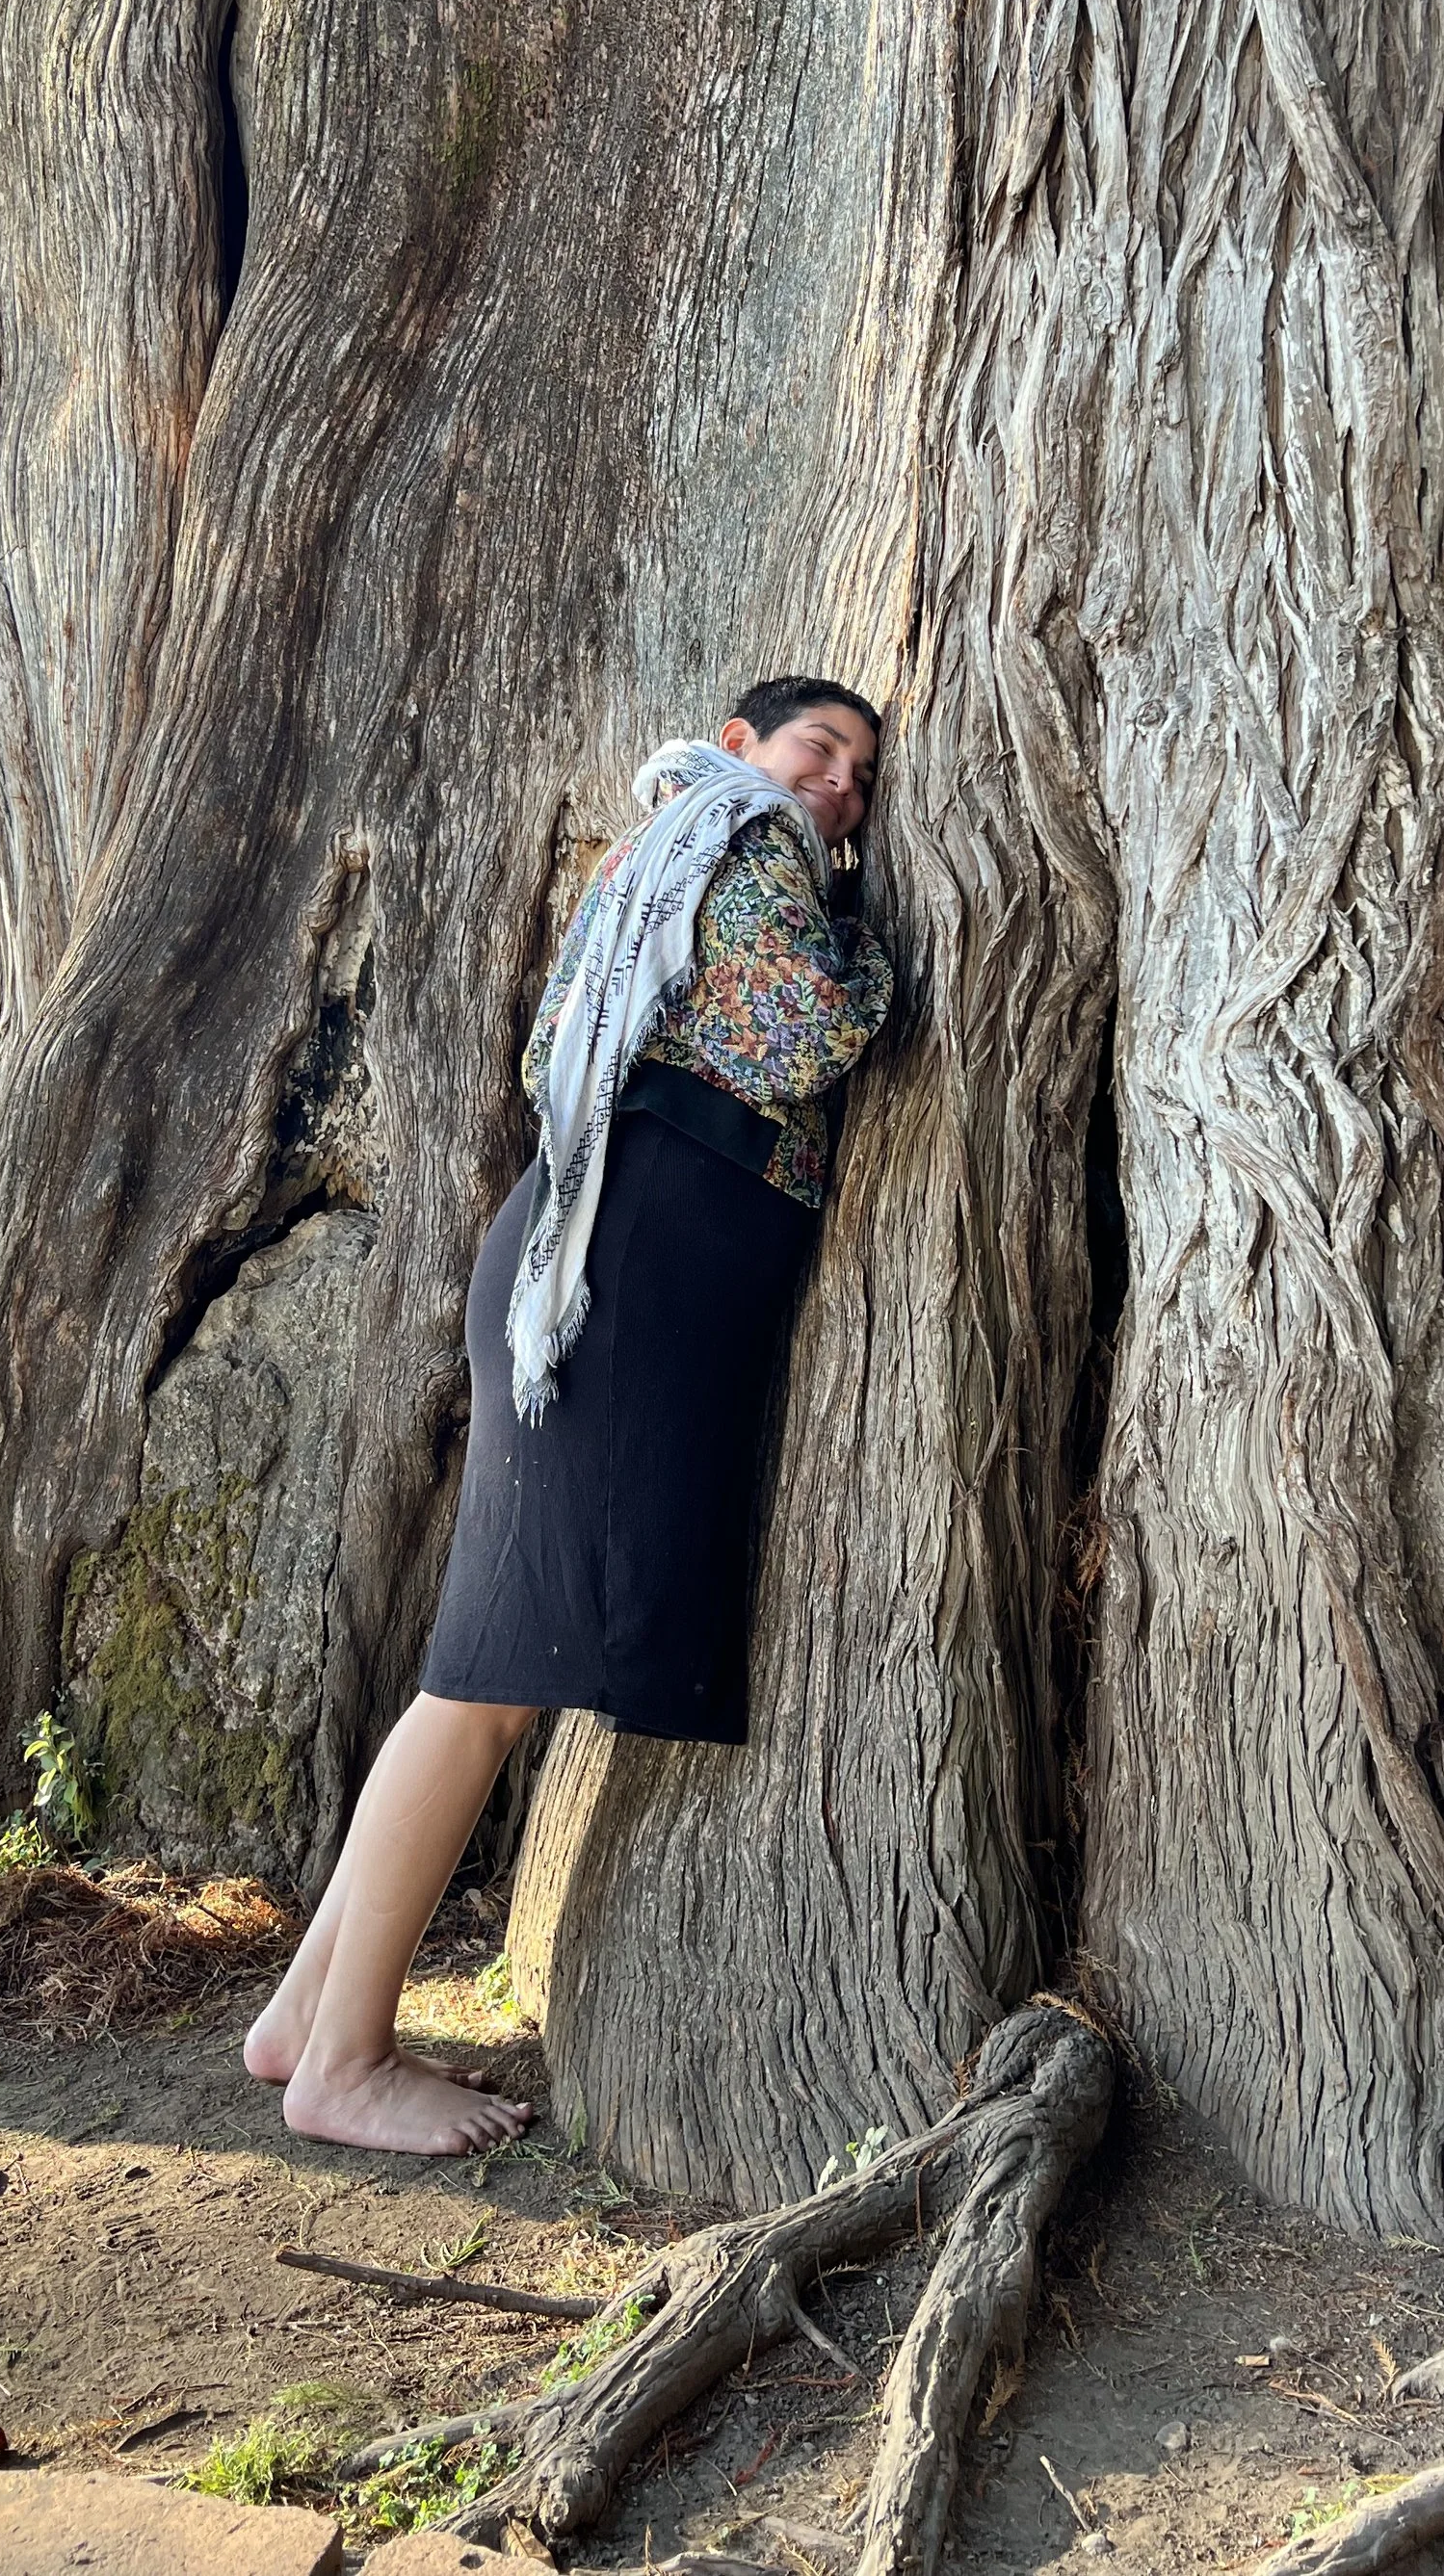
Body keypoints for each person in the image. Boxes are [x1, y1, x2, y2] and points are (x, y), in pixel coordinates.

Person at [244, 678, 893, 2153]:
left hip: (585, 1256)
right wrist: (881, 965)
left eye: (861, 774)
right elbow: (800, 1034)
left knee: (480, 1661)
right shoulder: (746, 835)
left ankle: (302, 2015)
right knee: (488, 1680)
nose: (841, 788)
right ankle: (342, 2064)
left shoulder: (655, 857)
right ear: (742, 750)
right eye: (820, 752)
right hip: (630, 1264)